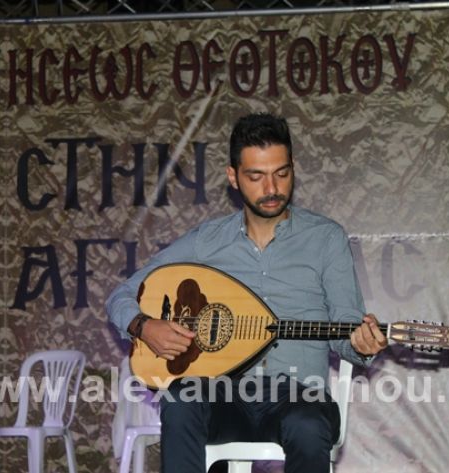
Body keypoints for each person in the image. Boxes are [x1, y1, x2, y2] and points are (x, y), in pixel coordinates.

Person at [106, 112, 387, 473]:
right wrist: (144, 326)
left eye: (281, 173)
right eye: (256, 176)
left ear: (293, 168)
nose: (271, 188)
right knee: (180, 401)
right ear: (233, 177)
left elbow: (346, 327)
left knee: (308, 425)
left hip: (299, 395)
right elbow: (122, 295)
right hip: (223, 396)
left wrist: (362, 344)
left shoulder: (326, 238)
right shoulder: (207, 242)